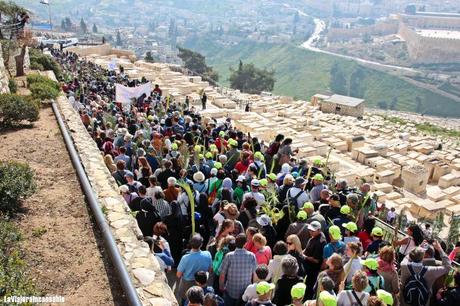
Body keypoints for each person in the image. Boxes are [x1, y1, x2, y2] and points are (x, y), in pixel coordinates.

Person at [400, 241, 452, 306]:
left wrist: (418, 247)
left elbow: (407, 257)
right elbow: (448, 267)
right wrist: (439, 249)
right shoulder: (430, 270)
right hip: (422, 302)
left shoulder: (404, 265)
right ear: (423, 257)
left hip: (404, 300)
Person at [219, 234, 257, 306]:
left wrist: (221, 287)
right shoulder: (252, 256)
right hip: (245, 292)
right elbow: (255, 274)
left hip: (230, 291)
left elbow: (222, 274)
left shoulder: (229, 256)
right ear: (245, 243)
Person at [177, 234, 212, 303]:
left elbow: (178, 275)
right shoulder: (208, 254)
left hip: (187, 285)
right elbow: (210, 270)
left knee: (185, 301)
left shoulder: (185, 258)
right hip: (202, 283)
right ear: (201, 244)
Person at [304, 221, 327, 299]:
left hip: (314, 269)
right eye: (310, 230)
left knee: (310, 288)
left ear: (319, 230)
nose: (311, 232)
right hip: (310, 268)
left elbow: (316, 260)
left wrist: (304, 256)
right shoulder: (315, 237)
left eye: (313, 230)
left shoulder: (320, 242)